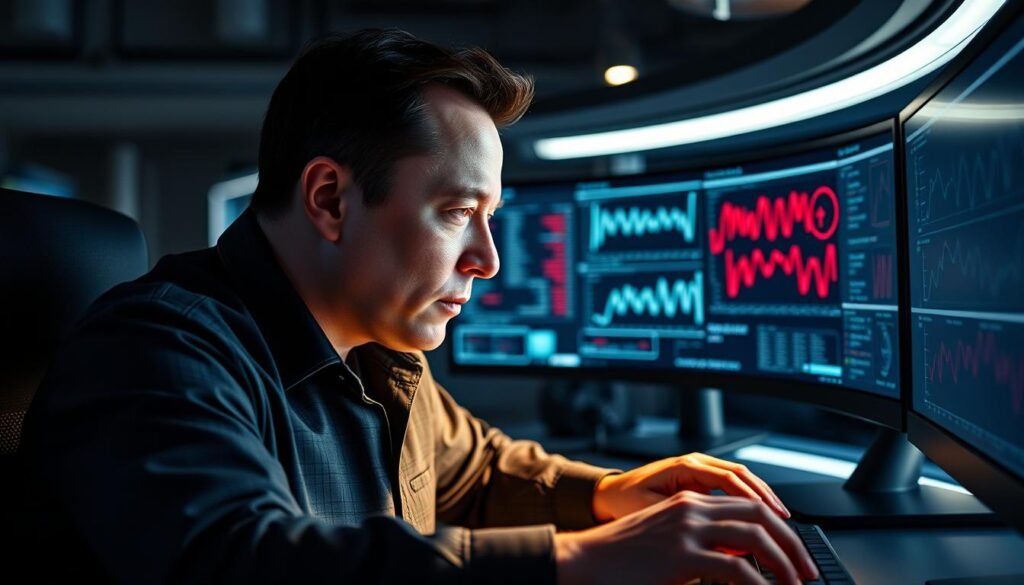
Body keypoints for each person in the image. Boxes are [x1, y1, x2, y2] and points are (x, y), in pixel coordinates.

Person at [21, 29, 819, 585]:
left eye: (490, 217)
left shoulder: (378, 355)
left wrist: (611, 494)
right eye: (455, 211)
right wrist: (580, 563)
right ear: (331, 198)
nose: (488, 259)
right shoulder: (156, 351)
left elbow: (478, 470)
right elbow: (240, 560)